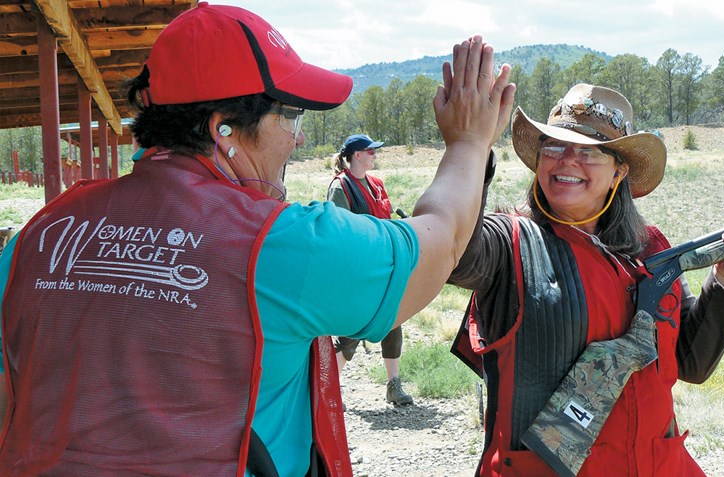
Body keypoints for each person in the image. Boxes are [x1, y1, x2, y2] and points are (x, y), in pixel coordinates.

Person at [0, 2, 515, 475]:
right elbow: (439, 242)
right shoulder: (280, 243)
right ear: (223, 129)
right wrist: (470, 141)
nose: (299, 136)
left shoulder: (35, 237)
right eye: (289, 114)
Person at [448, 83, 724, 476]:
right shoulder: (508, 243)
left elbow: (690, 364)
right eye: (554, 146)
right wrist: (473, 149)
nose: (567, 160)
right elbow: (457, 256)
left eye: (589, 150)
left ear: (618, 171)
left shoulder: (649, 247)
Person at [328, 134, 413, 406]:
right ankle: (327, 390)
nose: (375, 155)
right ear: (356, 155)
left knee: (393, 321)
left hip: (386, 265)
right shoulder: (340, 186)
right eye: (370, 151)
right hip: (358, 269)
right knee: (352, 329)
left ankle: (393, 385)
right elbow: (339, 230)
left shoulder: (376, 184)